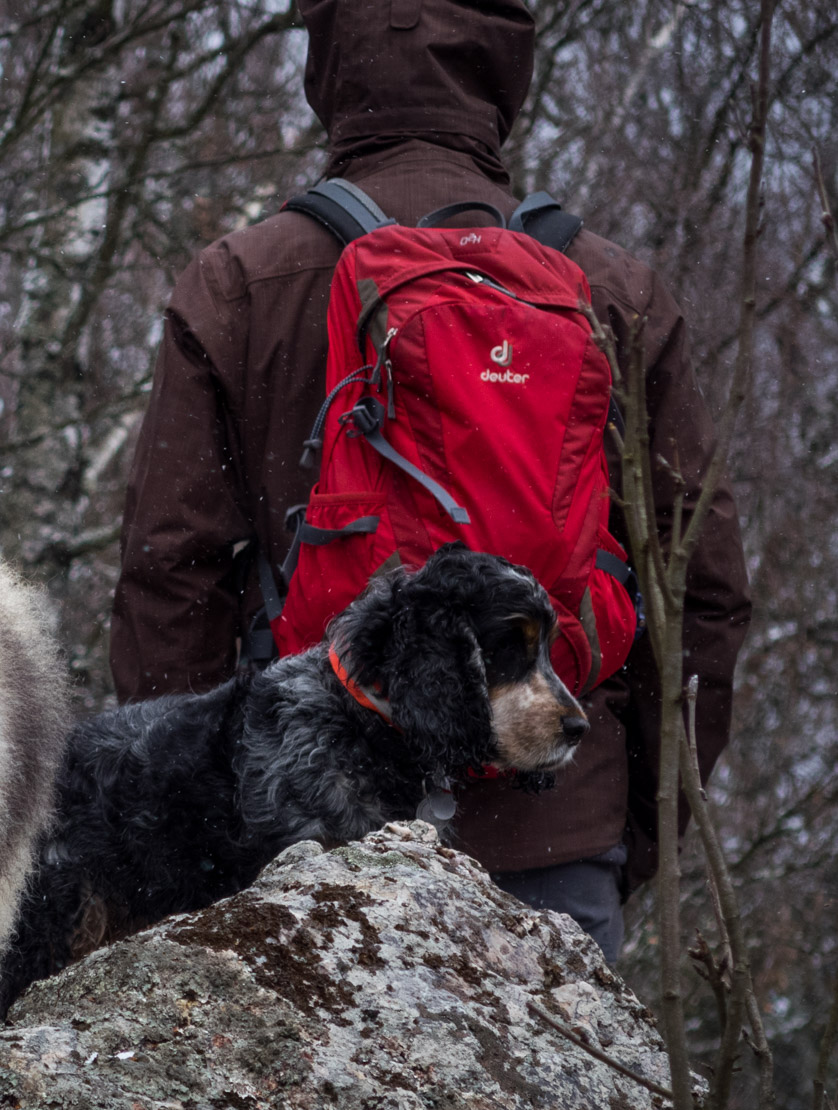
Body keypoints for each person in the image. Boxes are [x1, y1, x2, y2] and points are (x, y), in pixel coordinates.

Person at [109, 0, 751, 962]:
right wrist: (632, 819)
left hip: (301, 829)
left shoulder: (244, 279)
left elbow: (172, 570)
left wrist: (191, 817)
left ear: (325, 67)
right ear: (506, 73)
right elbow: (701, 592)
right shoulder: (611, 289)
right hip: (555, 837)